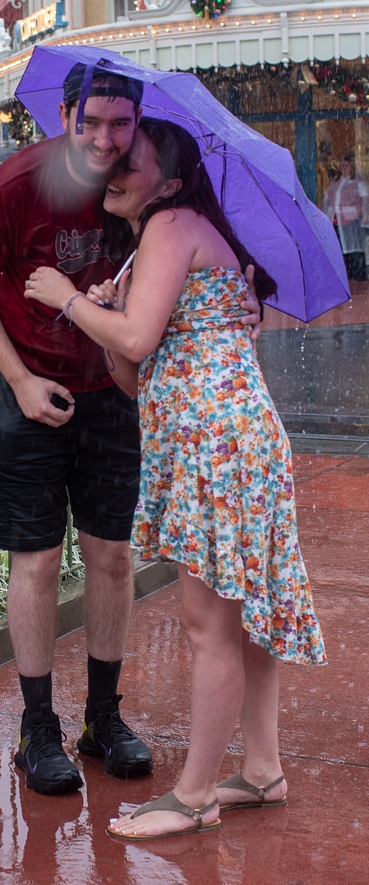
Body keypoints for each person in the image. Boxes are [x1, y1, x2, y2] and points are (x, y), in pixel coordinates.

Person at [25, 117, 326, 840]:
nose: (114, 168)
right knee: (243, 614)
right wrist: (105, 307)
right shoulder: (158, 241)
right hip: (222, 441)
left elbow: (132, 342)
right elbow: (132, 373)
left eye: (132, 160)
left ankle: (194, 796)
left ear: (170, 179)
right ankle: (261, 768)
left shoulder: (171, 226)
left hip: (217, 446)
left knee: (211, 624)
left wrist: (69, 299)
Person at [0, 64, 156, 797]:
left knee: (111, 555)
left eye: (120, 124)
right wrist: (20, 380)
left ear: (137, 122)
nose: (106, 139)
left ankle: (103, 717)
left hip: (110, 387)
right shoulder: (13, 185)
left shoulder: (144, 187)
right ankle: (38, 725)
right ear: (65, 112)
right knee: (36, 562)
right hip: (23, 381)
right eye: (91, 121)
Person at [323, 155, 368, 281]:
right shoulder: (335, 183)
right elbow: (327, 200)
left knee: (354, 249)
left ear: (352, 166)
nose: (344, 168)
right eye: (342, 165)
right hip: (336, 221)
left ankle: (357, 277)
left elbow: (365, 200)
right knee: (341, 249)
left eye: (346, 165)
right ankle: (345, 276)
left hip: (351, 220)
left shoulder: (358, 182)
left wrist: (365, 215)